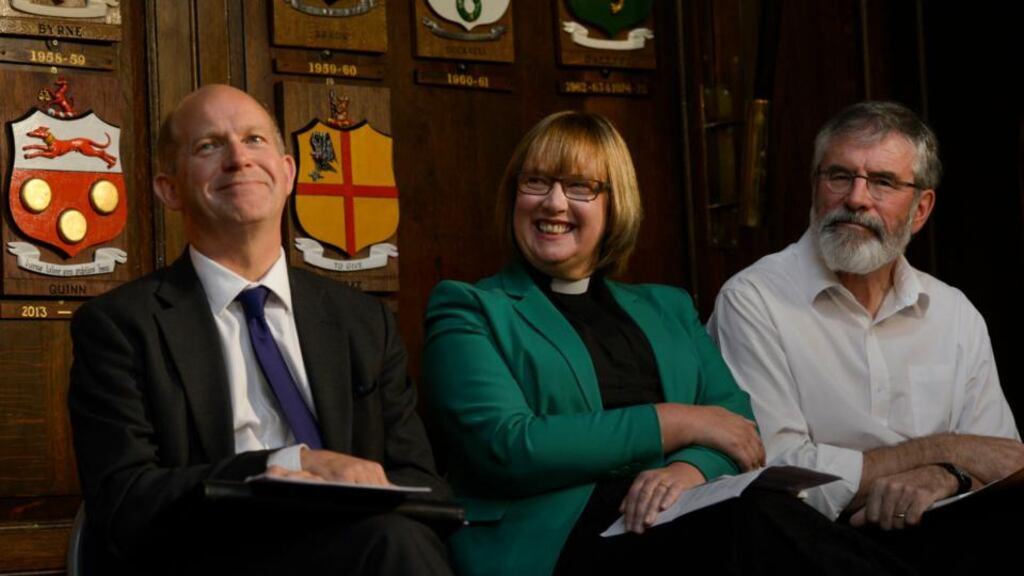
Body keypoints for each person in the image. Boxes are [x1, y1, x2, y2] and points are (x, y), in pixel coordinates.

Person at [424, 111, 912, 576]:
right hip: (553, 542)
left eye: (579, 187)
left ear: (615, 204)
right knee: (749, 521)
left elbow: (738, 430)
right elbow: (511, 447)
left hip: (675, 518)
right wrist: (676, 421)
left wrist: (688, 469)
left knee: (761, 513)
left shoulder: (667, 307)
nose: (553, 203)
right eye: (536, 182)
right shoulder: (470, 308)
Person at [68, 84, 452, 575]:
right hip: (211, 554)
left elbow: (423, 481)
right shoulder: (120, 327)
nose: (237, 159)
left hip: (357, 548)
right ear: (169, 189)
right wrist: (291, 464)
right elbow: (124, 502)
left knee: (404, 539)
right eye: (208, 145)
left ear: (288, 172)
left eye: (253, 140)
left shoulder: (363, 322)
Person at [708, 101, 1024, 563]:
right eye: (839, 176)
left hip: (948, 531)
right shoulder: (753, 299)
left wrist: (947, 476)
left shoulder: (954, 313)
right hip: (814, 545)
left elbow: (1004, 463)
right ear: (815, 189)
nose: (856, 198)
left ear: (921, 209)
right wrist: (947, 451)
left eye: (882, 181)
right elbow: (778, 475)